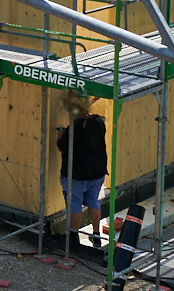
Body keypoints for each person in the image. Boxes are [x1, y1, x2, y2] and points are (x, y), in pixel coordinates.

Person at [56, 93, 107, 247]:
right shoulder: (99, 121)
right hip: (96, 172)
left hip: (77, 174)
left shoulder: (75, 127)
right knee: (93, 201)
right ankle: (96, 235)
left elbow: (62, 147)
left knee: (75, 205)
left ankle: (73, 236)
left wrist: (60, 135)